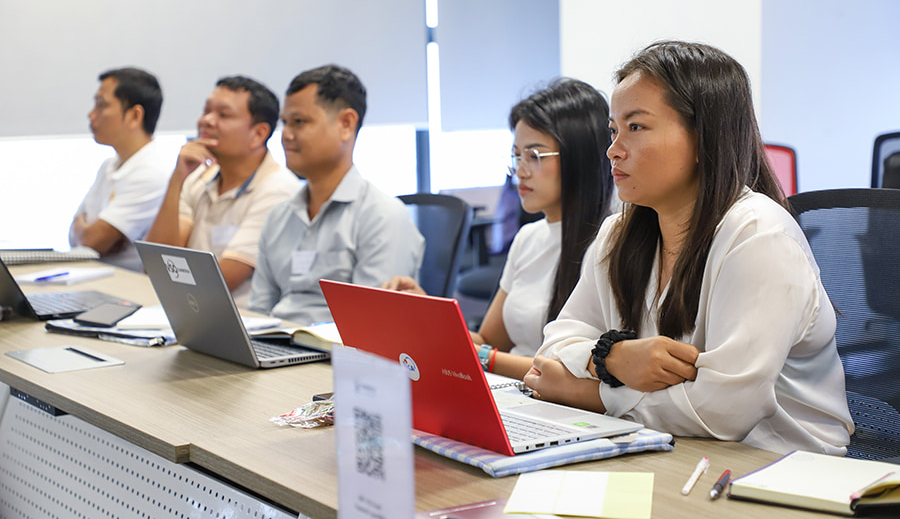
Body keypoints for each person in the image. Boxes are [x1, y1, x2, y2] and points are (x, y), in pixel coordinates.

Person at [524, 41, 853, 455]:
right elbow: (555, 344)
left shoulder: (759, 236)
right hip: (670, 452)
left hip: (780, 472)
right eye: (614, 130)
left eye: (636, 127)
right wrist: (612, 359)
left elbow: (724, 410)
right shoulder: (618, 234)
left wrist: (591, 393)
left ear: (703, 138)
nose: (614, 149)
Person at [384, 79, 614, 380]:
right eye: (517, 156)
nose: (520, 170)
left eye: (535, 156)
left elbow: (573, 372)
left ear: (579, 157)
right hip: (510, 393)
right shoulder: (529, 238)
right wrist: (424, 310)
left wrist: (483, 358)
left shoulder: (611, 242)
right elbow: (487, 342)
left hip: (555, 403)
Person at [247, 65, 424, 325]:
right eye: (284, 123)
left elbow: (376, 326)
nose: (286, 135)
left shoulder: (382, 215)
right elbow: (259, 314)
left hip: (336, 358)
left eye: (299, 122)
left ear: (346, 124)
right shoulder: (279, 216)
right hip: (276, 350)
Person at [145, 76, 300, 307]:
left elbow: (220, 282)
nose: (207, 121)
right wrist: (176, 180)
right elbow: (157, 263)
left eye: (223, 115)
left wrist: (171, 273)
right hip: (189, 307)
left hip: (242, 323)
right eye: (206, 111)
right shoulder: (200, 176)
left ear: (258, 134)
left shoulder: (278, 190)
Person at [69, 67, 170, 271]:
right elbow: (75, 235)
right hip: (93, 277)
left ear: (134, 115)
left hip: (126, 288)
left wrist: (89, 232)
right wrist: (88, 233)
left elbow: (93, 241)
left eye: (101, 105)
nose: (91, 115)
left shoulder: (152, 172)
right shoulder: (109, 165)